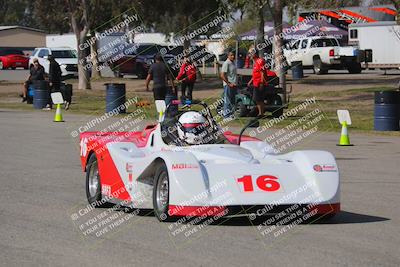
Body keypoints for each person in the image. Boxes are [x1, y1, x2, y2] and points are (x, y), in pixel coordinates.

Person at [247, 49, 268, 117]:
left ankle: (261, 113)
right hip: (256, 83)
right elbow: (256, 73)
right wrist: (250, 81)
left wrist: (262, 82)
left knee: (258, 99)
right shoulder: (255, 62)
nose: (249, 55)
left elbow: (262, 72)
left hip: (259, 83)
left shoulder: (260, 61)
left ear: (254, 54)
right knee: (257, 99)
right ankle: (260, 112)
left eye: (250, 54)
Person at [220, 51, 237, 119]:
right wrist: (228, 83)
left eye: (233, 55)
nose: (233, 56)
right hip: (228, 85)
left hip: (234, 84)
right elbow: (222, 75)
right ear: (228, 56)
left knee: (232, 100)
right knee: (227, 100)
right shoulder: (226, 63)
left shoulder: (233, 63)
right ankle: (226, 115)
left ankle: (231, 114)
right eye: (231, 55)